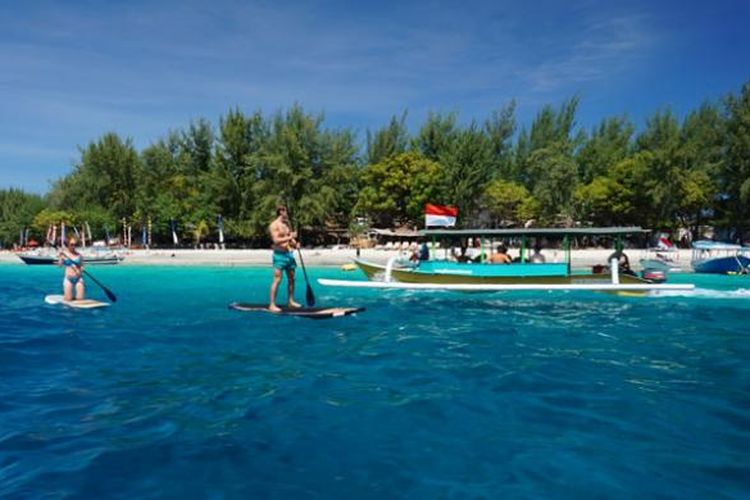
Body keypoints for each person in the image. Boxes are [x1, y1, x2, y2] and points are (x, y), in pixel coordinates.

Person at [269, 206, 301, 312]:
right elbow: (276, 240)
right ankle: (272, 305)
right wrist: (290, 236)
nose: (288, 213)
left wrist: (295, 244)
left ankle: (291, 301)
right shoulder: (274, 225)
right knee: (277, 279)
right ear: (281, 212)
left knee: (292, 279)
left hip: (289, 255)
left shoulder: (286, 225)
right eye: (286, 211)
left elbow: (290, 239)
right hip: (279, 256)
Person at [58, 236, 85, 301]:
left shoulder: (79, 255)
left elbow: (82, 266)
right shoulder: (64, 254)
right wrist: (61, 257)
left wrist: (81, 269)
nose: (73, 246)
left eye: (75, 244)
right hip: (68, 279)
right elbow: (60, 265)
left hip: (79, 279)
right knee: (68, 299)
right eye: (72, 244)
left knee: (80, 299)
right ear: (68, 245)